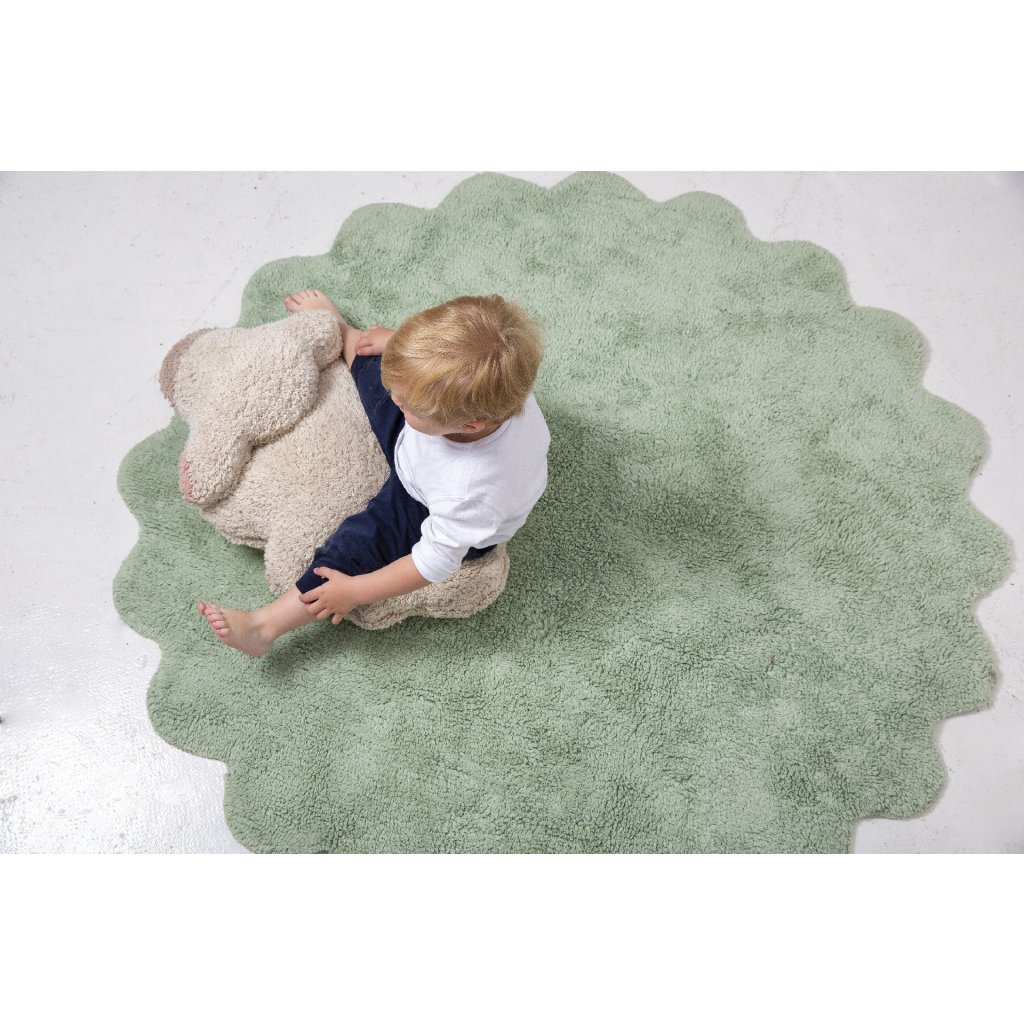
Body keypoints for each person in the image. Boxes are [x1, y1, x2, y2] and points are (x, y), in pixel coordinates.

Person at [196, 289, 550, 657]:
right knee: (376, 369)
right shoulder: (500, 386)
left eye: (408, 404)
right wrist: (398, 348)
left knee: (358, 544)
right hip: (423, 447)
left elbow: (429, 564)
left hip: (423, 503)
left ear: (470, 424)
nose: (396, 397)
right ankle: (345, 330)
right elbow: (449, 360)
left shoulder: (471, 494)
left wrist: (355, 591)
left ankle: (264, 626)